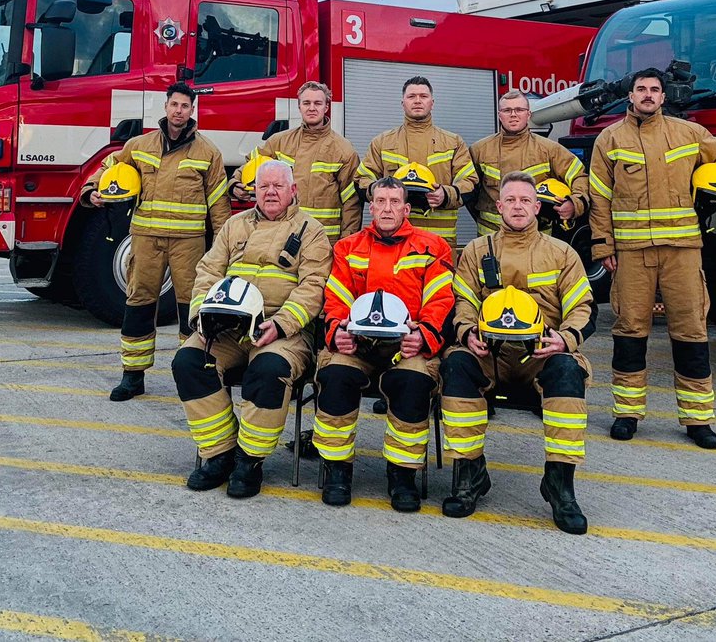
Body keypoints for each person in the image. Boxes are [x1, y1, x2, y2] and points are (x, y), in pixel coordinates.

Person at [588, 68, 716, 449]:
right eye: (640, 89)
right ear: (630, 96)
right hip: (632, 253)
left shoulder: (690, 133)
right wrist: (603, 247)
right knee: (630, 331)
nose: (647, 95)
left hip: (682, 250)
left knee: (692, 331)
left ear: (664, 97)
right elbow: (599, 197)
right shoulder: (610, 138)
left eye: (654, 89)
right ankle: (627, 413)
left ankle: (698, 420)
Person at [440, 172, 594, 534]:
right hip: (488, 354)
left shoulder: (561, 253)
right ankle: (469, 475)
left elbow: (584, 308)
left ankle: (560, 484)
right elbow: (461, 302)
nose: (518, 207)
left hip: (541, 355)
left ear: (538, 207)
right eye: (511, 200)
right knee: (457, 364)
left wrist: (565, 340)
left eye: (526, 200)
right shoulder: (478, 251)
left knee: (569, 374)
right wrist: (466, 332)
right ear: (499, 206)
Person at [171, 159, 332, 497]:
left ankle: (250, 460)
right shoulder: (233, 226)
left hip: (281, 331)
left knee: (268, 369)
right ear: (254, 191)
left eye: (277, 186)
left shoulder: (311, 231)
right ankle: (220, 453)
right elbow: (207, 272)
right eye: (263, 186)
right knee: (187, 362)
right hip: (227, 329)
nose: (270, 192)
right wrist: (201, 315)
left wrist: (282, 323)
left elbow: (313, 286)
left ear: (293, 191)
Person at [81, 82, 231, 401]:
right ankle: (132, 376)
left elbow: (219, 203)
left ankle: (191, 374)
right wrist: (91, 190)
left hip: (188, 243)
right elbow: (110, 168)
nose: (179, 111)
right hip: (146, 240)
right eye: (174, 105)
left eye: (185, 106)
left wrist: (223, 248)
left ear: (193, 111)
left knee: (192, 309)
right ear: (165, 107)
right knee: (138, 304)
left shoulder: (208, 152)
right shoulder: (140, 145)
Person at [316, 176, 454, 511]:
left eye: (394, 202)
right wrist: (337, 332)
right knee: (334, 375)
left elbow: (441, 302)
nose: (387, 208)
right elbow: (335, 300)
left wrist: (424, 336)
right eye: (380, 201)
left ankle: (402, 474)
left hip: (407, 346)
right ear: (371, 206)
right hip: (357, 346)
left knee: (414, 380)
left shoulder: (433, 246)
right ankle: (337, 469)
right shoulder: (347, 248)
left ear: (407, 208)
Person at [356, 76, 477, 248]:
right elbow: (362, 180)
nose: (418, 101)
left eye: (423, 96)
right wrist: (384, 195)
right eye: (412, 96)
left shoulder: (453, 142)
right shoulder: (382, 143)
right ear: (403, 103)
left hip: (439, 240)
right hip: (393, 238)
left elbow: (470, 182)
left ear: (432, 102)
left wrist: (446, 194)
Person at [232, 81, 361, 242]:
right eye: (306, 103)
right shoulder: (279, 141)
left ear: (326, 107)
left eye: (317, 103)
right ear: (299, 106)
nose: (312, 108)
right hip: (280, 236)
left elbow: (352, 203)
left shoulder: (343, 150)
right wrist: (235, 185)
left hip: (322, 239)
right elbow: (250, 165)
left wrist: (346, 243)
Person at [469, 89, 590, 236]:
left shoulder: (549, 149)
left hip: (537, 240)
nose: (513, 114)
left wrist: (574, 203)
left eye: (519, 109)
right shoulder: (479, 150)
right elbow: (468, 193)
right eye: (507, 110)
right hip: (491, 240)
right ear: (499, 115)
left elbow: (579, 177)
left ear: (528, 114)